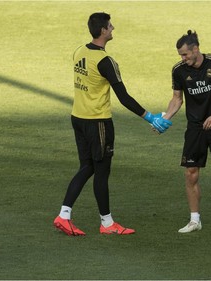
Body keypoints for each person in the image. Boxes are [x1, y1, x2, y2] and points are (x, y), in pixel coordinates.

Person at [53, 12, 172, 236]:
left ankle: (65, 215)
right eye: (110, 26)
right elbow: (123, 97)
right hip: (97, 121)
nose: (113, 28)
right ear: (103, 31)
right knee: (101, 171)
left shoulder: (79, 51)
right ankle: (106, 224)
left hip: (77, 117)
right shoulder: (106, 62)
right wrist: (150, 117)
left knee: (87, 167)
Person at [162, 30, 211, 233]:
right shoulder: (179, 70)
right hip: (195, 128)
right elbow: (177, 99)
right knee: (191, 174)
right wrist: (165, 119)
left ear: (195, 49)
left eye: (185, 54)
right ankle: (195, 220)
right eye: (180, 55)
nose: (182, 58)